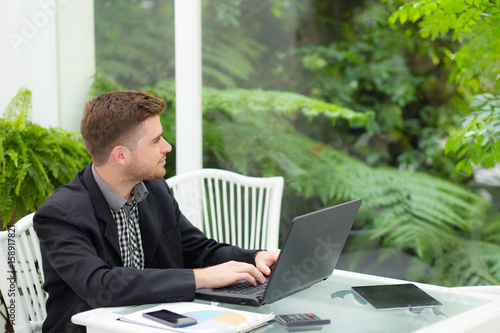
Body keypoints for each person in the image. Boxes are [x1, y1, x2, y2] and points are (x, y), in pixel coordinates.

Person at [33, 90, 280, 333]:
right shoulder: (59, 215)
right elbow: (101, 286)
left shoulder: (155, 190)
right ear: (121, 155)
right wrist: (200, 278)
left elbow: (197, 250)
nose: (167, 147)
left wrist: (254, 258)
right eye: (155, 141)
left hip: (160, 322)